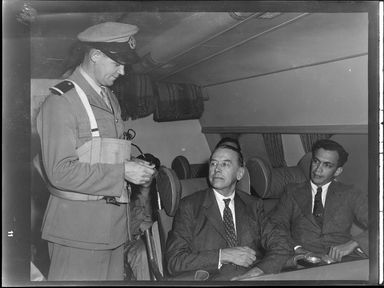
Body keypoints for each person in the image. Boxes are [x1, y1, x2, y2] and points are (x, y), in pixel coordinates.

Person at [36, 22, 156, 281]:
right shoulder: (61, 101)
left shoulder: (108, 97)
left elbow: (99, 156)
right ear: (95, 55)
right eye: (118, 63)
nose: (123, 71)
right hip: (78, 232)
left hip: (112, 228)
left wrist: (133, 165)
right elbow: (59, 172)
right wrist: (123, 171)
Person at [165, 144, 291, 280]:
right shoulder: (189, 206)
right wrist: (222, 255)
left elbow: (281, 245)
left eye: (225, 164)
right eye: (213, 164)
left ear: (240, 173)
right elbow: (174, 262)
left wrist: (259, 271)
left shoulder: (253, 205)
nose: (217, 169)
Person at [267, 139, 368, 267]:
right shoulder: (292, 192)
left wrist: (353, 243)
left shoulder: (351, 193)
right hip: (301, 262)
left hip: (342, 262)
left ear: (337, 171)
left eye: (327, 165)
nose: (318, 170)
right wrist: (297, 249)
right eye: (316, 162)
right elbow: (275, 225)